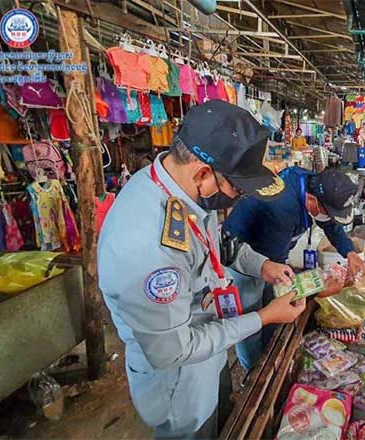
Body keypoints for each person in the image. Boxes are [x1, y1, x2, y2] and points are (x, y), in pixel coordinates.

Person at [98, 101, 307, 439]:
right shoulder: (147, 249)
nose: (238, 198)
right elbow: (174, 351)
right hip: (180, 384)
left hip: (210, 347)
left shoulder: (177, 188)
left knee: (223, 422)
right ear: (202, 172)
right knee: (198, 430)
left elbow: (217, 241)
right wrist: (264, 317)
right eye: (236, 188)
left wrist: (263, 265)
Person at [224, 167, 365, 369]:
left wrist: (350, 253)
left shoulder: (311, 182)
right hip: (244, 259)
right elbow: (280, 278)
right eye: (327, 211)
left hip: (271, 254)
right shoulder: (283, 208)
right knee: (253, 320)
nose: (329, 217)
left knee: (271, 307)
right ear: (310, 200)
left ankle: (269, 351)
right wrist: (317, 291)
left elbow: (330, 223)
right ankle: (254, 372)